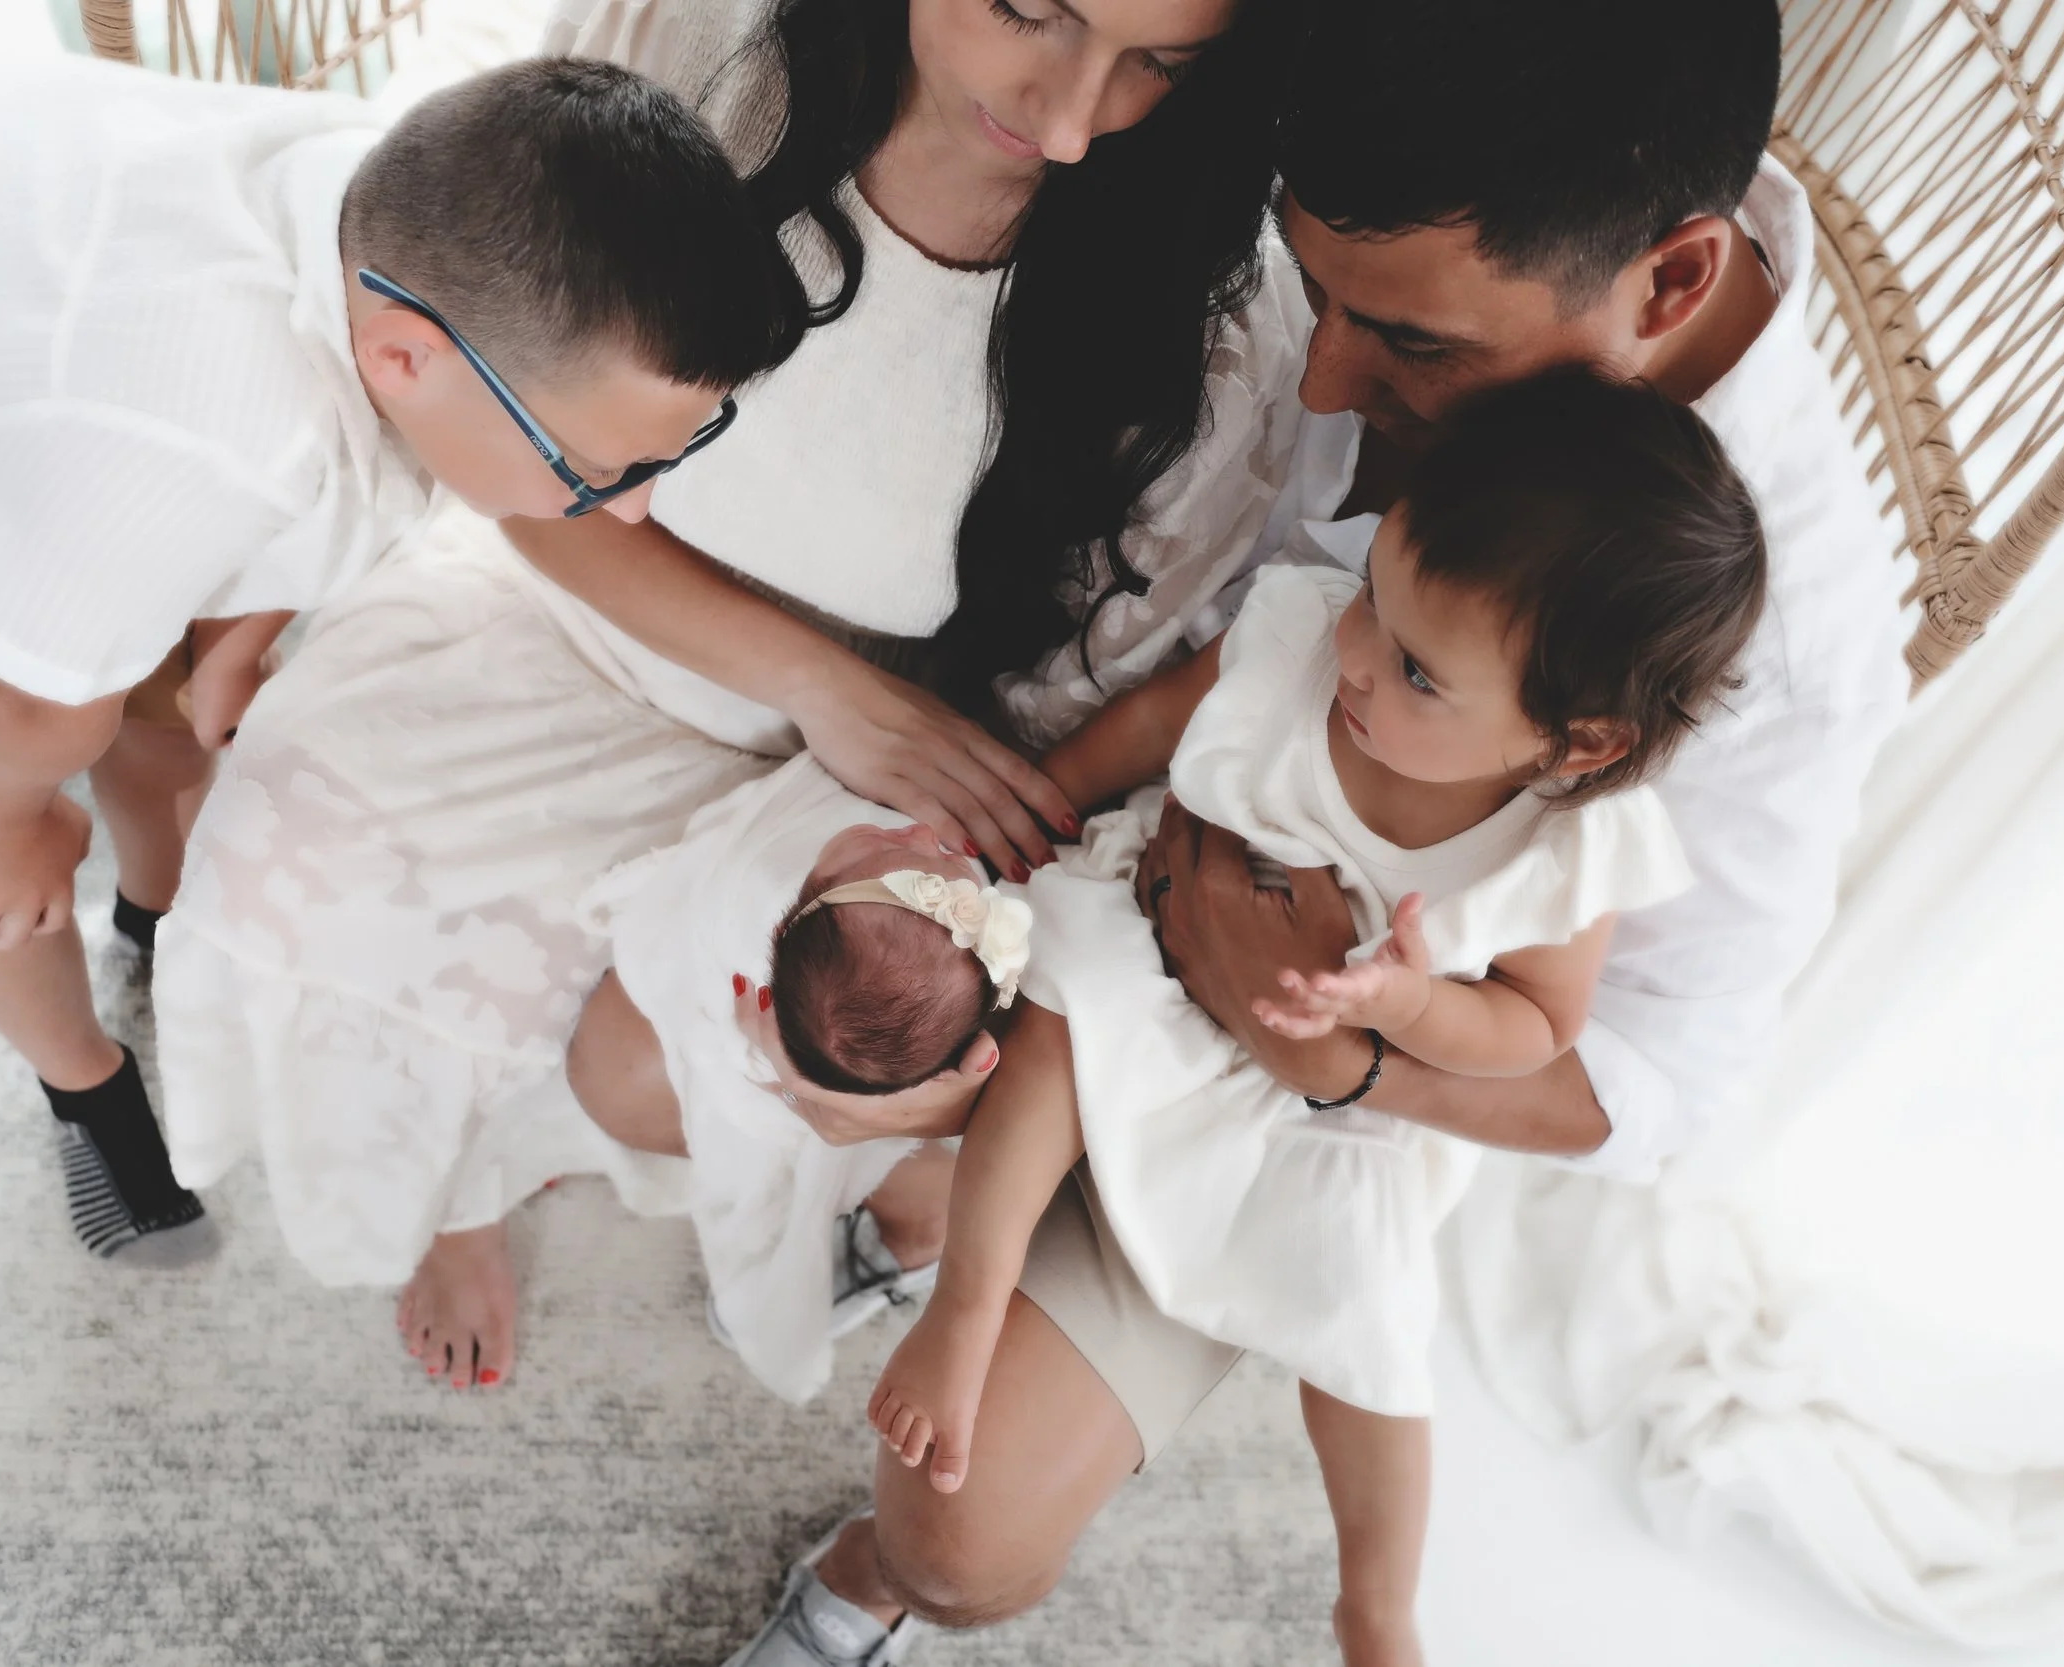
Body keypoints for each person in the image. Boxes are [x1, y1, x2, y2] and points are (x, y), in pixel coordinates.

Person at [724, 1, 1912, 1663]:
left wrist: (1338, 1054)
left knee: (965, 1540)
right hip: (1081, 801)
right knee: (717, 1047)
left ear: (1670, 284)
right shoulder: (1413, 150)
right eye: (1317, 291)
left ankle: (894, 1548)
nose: (1330, 374)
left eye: (1411, 346)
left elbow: (1651, 1087)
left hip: (1299, 1075)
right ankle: (949, 1188)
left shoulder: (1776, 646)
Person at [152, 0, 1313, 1390]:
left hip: (860, 752)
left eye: (1156, 67)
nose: (1068, 122)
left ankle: (550, 1152)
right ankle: (450, 1189)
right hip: (565, 593)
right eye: (1030, 12)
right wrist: (813, 678)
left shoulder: (1206, 315)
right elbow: (502, 438)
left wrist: (880, 803)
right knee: (287, 840)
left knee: (715, 1059)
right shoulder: (701, 50)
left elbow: (1068, 707)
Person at [0, 47, 805, 1263]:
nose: (630, 514)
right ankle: (82, 1082)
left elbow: (259, 515)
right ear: (409, 358)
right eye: (596, 468)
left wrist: (237, 634)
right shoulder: (204, 433)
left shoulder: (412, 217)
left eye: (673, 451)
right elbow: (37, 706)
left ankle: (153, 903)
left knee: (165, 711)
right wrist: (3, 824)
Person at [864, 371, 1763, 1666]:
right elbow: (1157, 724)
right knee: (1069, 1000)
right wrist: (1022, 821)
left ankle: (1376, 1599)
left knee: (1374, 1321)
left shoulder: (1566, 851)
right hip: (1157, 951)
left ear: (1572, 746)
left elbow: (1536, 1030)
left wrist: (1406, 1006)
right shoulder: (1303, 642)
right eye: (1370, 597)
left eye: (1411, 668)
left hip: (1336, 1103)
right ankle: (968, 1298)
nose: (1351, 656)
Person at [565, 752, 1033, 1404]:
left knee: (762, 1143)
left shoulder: (832, 909)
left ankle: (907, 1208)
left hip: (796, 1078)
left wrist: (784, 1088)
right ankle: (894, 1194)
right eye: (914, 849)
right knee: (674, 1095)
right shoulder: (938, 927)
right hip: (797, 1068)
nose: (923, 834)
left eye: (942, 863)